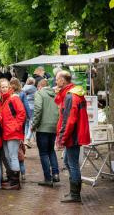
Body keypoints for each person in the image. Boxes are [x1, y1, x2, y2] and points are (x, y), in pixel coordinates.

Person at [55, 71, 90, 203]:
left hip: (73, 136)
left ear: (63, 80)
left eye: (57, 79)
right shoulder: (74, 93)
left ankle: (75, 195)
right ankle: (73, 192)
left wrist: (62, 138)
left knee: (72, 164)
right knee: (68, 163)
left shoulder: (71, 96)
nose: (56, 82)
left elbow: (69, 119)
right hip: (75, 134)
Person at [0, 78, 26, 190]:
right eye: (2, 87)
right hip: (6, 132)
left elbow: (22, 113)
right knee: (8, 156)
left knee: (13, 156)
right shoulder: (4, 100)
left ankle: (15, 182)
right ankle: (12, 179)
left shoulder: (13, 98)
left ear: (9, 87)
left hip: (12, 133)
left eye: (6, 86)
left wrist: (15, 127)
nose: (4, 88)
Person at [31, 79, 60, 187]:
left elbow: (38, 109)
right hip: (53, 126)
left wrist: (34, 125)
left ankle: (48, 178)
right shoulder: (54, 94)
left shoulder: (39, 93)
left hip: (43, 127)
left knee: (43, 153)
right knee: (51, 150)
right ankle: (56, 173)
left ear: (39, 86)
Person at [9, 77, 30, 180]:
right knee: (20, 138)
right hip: (20, 120)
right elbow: (26, 106)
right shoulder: (22, 93)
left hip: (11, 121)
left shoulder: (10, 95)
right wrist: (29, 117)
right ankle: (21, 151)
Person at [22, 77, 37, 147]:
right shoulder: (34, 88)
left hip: (25, 107)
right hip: (32, 107)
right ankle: (27, 139)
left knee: (26, 124)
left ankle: (25, 139)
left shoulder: (23, 88)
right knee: (31, 123)